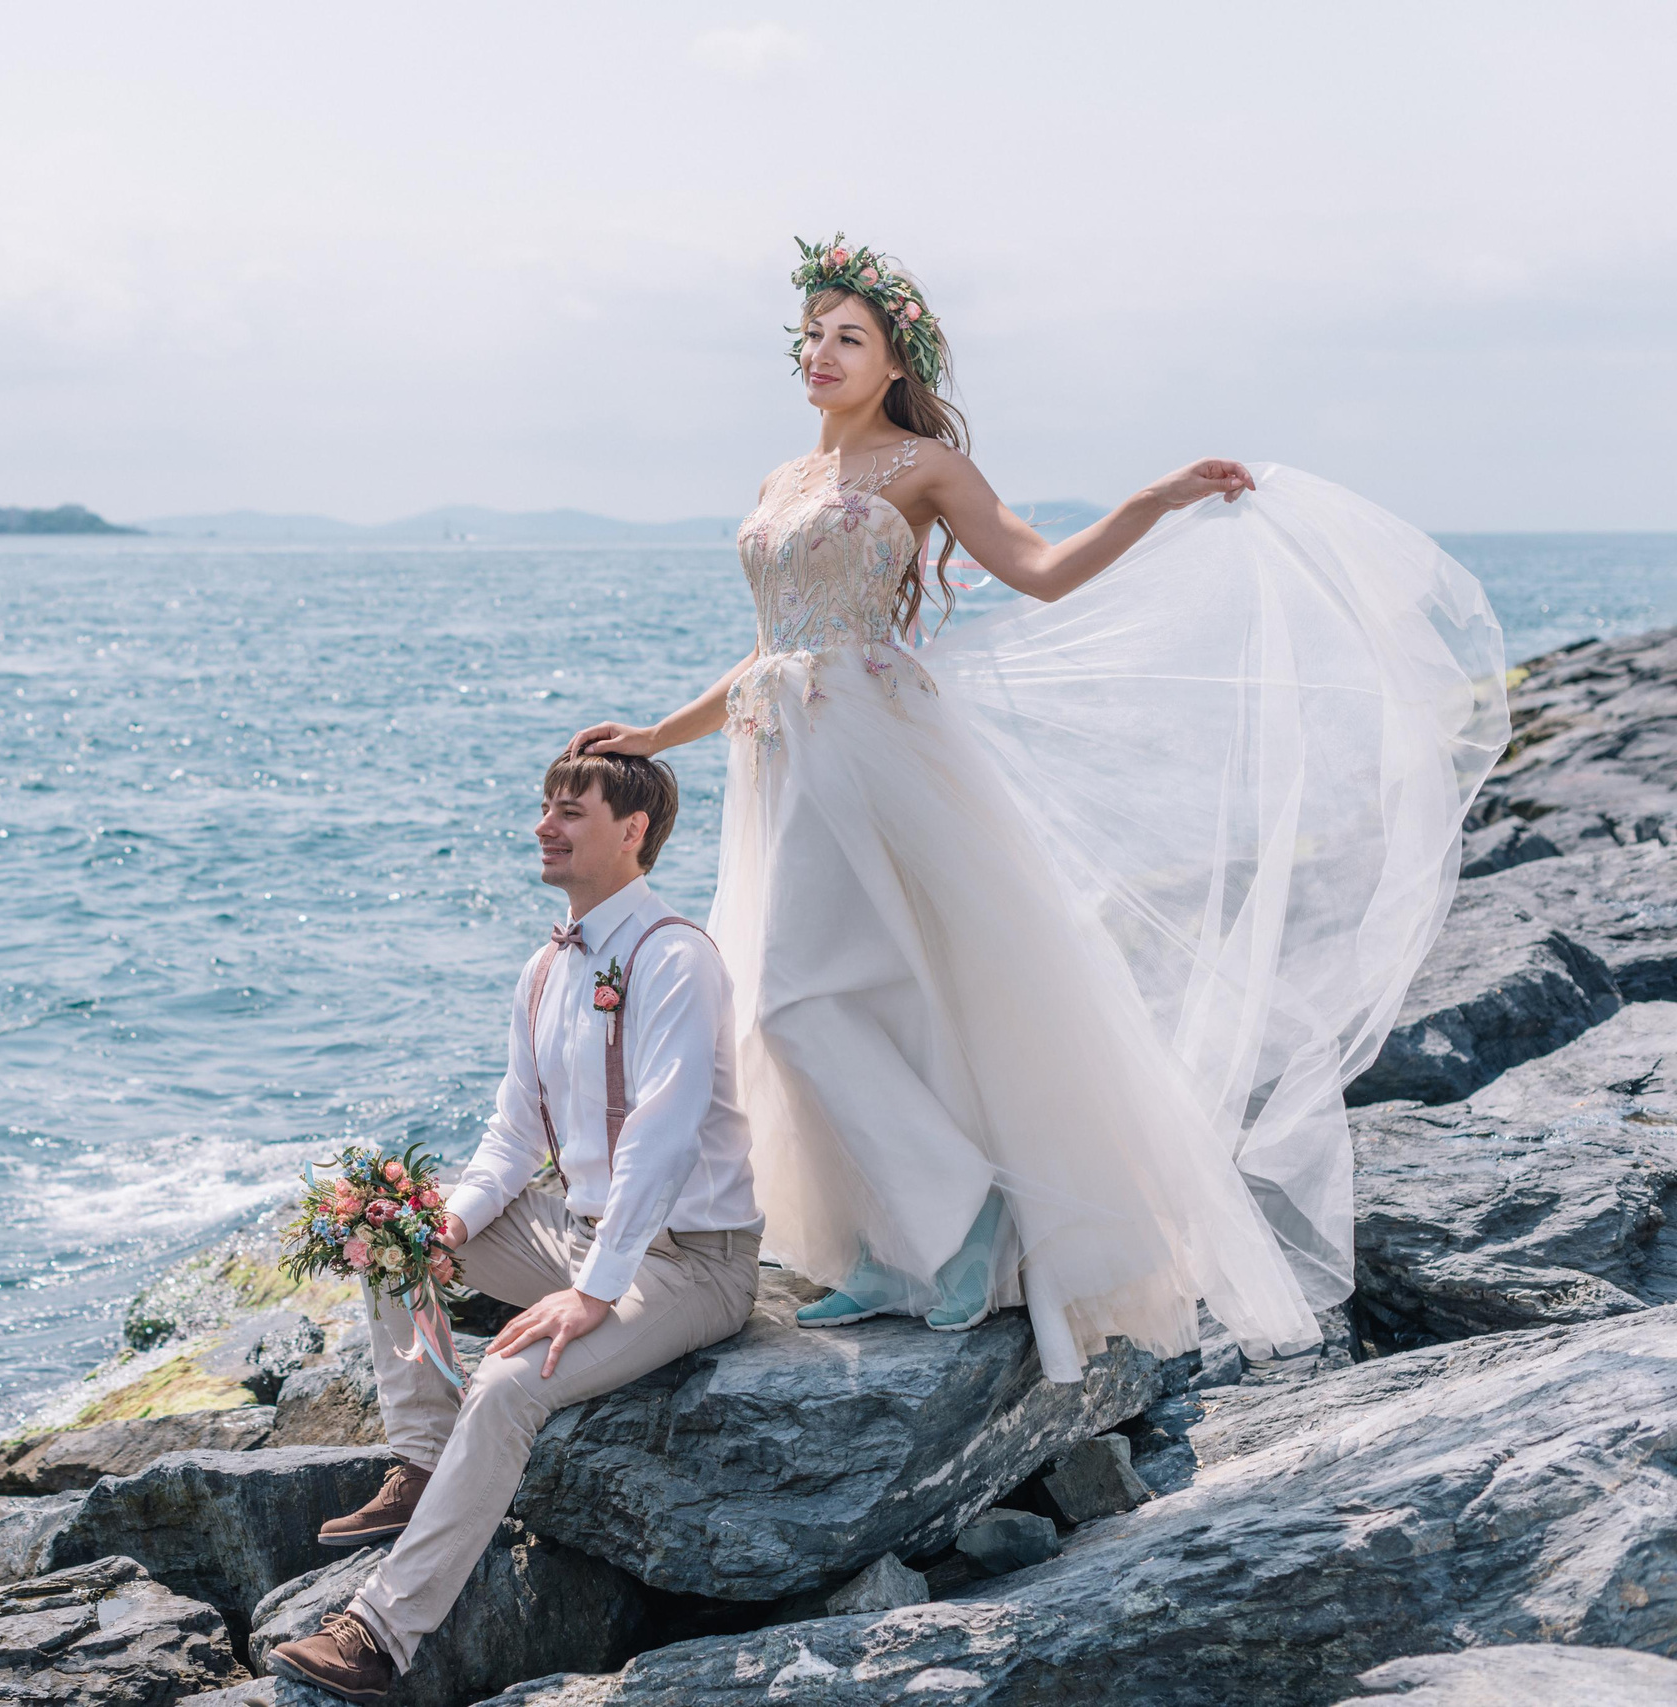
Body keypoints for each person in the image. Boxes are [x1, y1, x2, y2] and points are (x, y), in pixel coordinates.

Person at [570, 233, 1506, 1383]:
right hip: (782, 757)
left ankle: (960, 1227)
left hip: (872, 747)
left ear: (894, 359)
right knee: (836, 997)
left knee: (798, 1005)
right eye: (811, 332)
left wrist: (1156, 499)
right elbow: (771, 646)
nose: (819, 350)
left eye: (846, 336)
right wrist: (659, 735)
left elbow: (1042, 568)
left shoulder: (923, 468)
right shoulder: (783, 482)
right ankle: (895, 1252)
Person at [266, 750, 763, 1702]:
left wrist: (593, 1290)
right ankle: (421, 1458)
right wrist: (445, 1228)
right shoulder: (545, 967)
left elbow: (661, 1141)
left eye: (570, 811)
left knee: (506, 1382)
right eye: (544, 807)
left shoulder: (675, 957)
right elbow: (511, 1136)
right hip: (574, 1230)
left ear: (633, 831)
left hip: (691, 1259)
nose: (546, 824)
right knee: (395, 1234)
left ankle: (377, 1636)